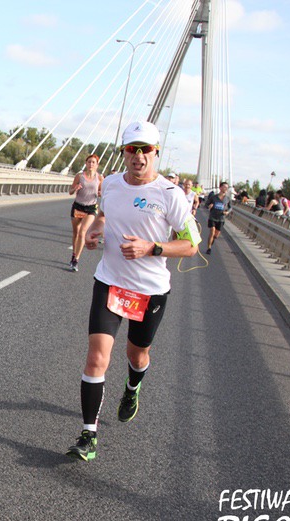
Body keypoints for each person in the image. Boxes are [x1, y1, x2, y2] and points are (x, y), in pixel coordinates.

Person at [66, 120, 200, 461]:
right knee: (97, 357)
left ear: (156, 153)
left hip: (149, 290)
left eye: (145, 150)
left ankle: (132, 386)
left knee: (137, 355)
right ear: (124, 153)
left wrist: (152, 248)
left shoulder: (170, 195)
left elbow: (191, 246)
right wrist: (95, 231)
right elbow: (104, 215)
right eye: (131, 149)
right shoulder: (111, 184)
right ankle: (88, 436)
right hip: (110, 281)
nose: (138, 156)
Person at [67, 154, 104, 271]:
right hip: (78, 207)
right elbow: (70, 191)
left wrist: (100, 193)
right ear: (86, 163)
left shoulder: (100, 178)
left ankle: (76, 260)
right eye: (89, 162)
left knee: (83, 232)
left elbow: (102, 192)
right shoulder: (79, 176)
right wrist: (75, 188)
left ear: (97, 165)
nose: (91, 164)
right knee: (76, 232)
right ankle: (74, 254)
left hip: (91, 208)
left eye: (93, 162)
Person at [204, 181, 232, 254]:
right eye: (224, 187)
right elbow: (206, 205)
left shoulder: (228, 198)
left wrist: (227, 212)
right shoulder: (214, 197)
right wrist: (209, 206)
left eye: (227, 187)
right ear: (220, 187)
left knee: (216, 235)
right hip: (213, 217)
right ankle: (209, 248)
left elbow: (230, 207)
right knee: (212, 231)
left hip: (221, 218)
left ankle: (211, 241)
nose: (225, 188)